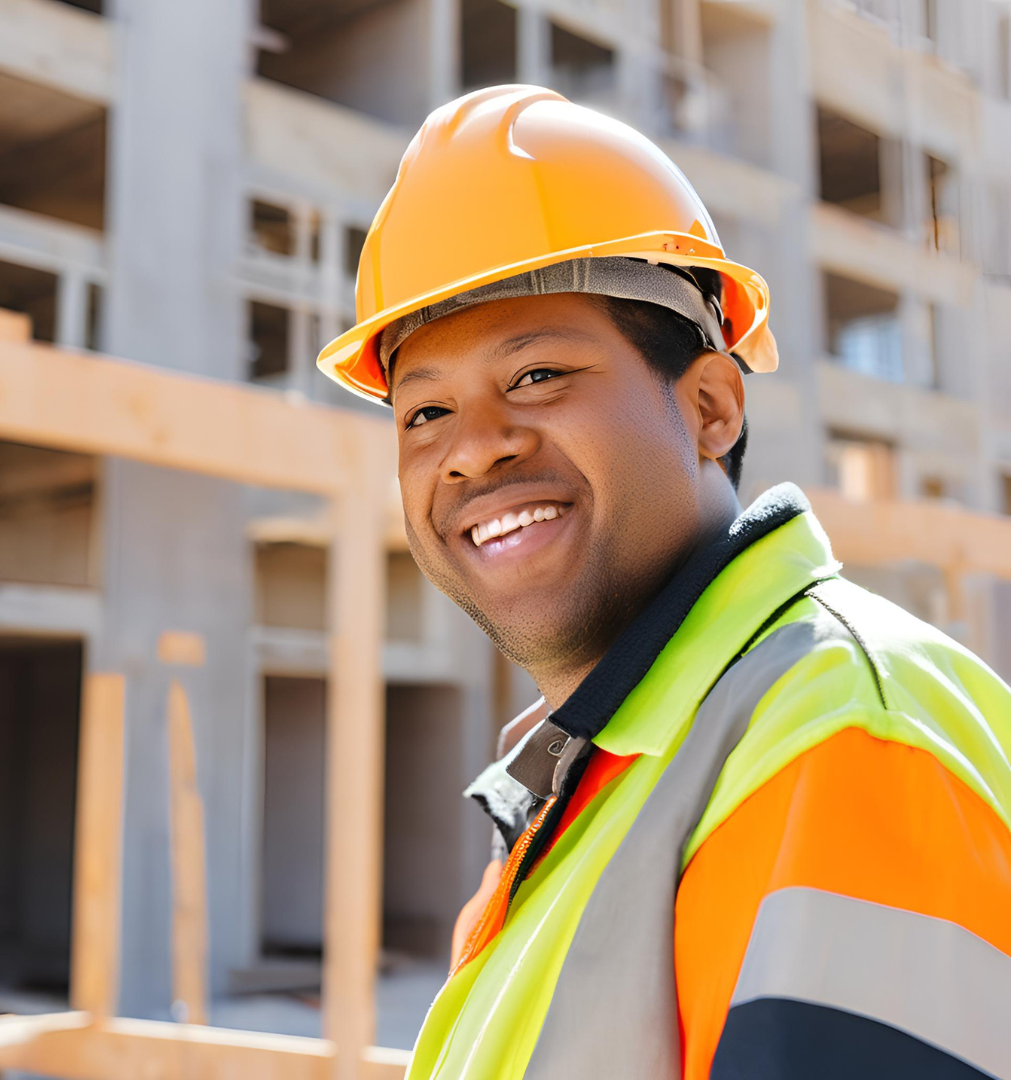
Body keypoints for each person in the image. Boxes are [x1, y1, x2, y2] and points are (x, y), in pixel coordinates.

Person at [316, 86, 1011, 1079]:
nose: (471, 452)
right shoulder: (616, 780)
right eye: (423, 414)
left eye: (537, 375)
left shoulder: (840, 736)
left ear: (712, 408)